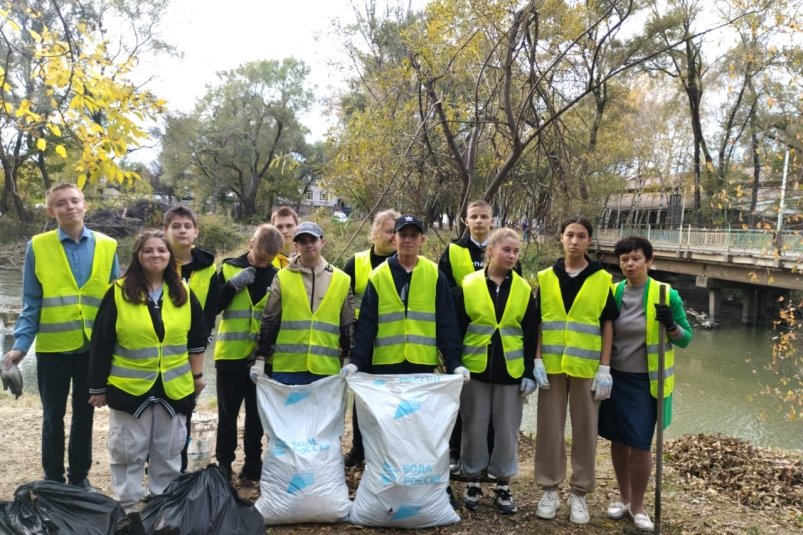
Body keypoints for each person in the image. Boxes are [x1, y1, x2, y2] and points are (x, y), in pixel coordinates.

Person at [342, 214, 469, 508]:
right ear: (393, 238)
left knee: (421, 430)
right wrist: (357, 362)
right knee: (387, 430)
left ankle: (428, 489)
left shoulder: (435, 274)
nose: (408, 240)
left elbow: (446, 324)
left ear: (422, 240)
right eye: (403, 234)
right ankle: (385, 488)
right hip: (386, 367)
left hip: (420, 366)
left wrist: (454, 363)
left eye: (414, 235)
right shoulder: (378, 276)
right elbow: (368, 325)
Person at [2, 183, 119, 488]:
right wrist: (20, 346)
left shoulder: (108, 246)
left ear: (85, 206)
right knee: (53, 418)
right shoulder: (37, 246)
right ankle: (53, 479)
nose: (69, 207)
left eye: (75, 201)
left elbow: (115, 302)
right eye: (61, 203)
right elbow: (32, 302)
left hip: (92, 351)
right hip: (53, 349)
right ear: (51, 211)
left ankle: (79, 479)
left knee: (85, 416)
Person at [88, 230, 207, 512]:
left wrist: (198, 377)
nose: (155, 255)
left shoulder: (184, 293)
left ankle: (161, 510)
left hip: (173, 389)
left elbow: (198, 339)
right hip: (129, 389)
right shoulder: (117, 292)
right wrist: (97, 387)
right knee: (127, 452)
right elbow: (101, 342)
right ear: (138, 256)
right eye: (148, 250)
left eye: (161, 250)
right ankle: (128, 510)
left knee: (168, 453)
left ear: (170, 256)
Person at [599, 236, 693, 532]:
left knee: (640, 444)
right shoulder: (612, 293)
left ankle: (638, 506)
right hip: (616, 377)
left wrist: (671, 325)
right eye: (624, 259)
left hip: (646, 381)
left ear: (649, 261)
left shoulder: (666, 295)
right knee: (618, 440)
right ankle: (624, 498)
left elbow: (686, 339)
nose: (630, 264)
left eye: (636, 258)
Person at [533, 216, 619, 525]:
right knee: (550, 427)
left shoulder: (601, 278)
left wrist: (605, 366)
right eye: (569, 235)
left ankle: (580, 493)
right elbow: (540, 320)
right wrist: (537, 359)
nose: (574, 241)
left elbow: (608, 322)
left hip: (586, 366)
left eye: (581, 236)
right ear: (560, 237)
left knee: (585, 430)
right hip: (552, 366)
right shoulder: (545, 277)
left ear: (589, 241)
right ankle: (549, 488)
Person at [455, 228, 538, 515]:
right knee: (474, 428)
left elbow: (530, 332)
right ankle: (473, 480)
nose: (512, 256)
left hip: (511, 371)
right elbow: (458, 325)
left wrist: (529, 371)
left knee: (506, 431)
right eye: (506, 250)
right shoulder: (469, 284)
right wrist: (455, 363)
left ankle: (503, 483)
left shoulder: (525, 289)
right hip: (474, 369)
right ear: (491, 251)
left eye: (516, 251)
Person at [214, 224, 284, 482]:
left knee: (256, 416)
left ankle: (253, 464)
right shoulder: (229, 269)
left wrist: (267, 352)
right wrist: (231, 286)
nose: (263, 262)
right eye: (259, 256)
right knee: (227, 415)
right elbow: (213, 308)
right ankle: (224, 463)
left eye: (269, 259)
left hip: (261, 360)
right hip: (229, 357)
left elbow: (279, 319)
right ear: (251, 243)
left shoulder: (279, 276)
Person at [255, 222, 354, 385]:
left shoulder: (342, 279)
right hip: (288, 368)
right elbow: (270, 321)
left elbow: (348, 324)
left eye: (313, 240)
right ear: (295, 246)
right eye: (303, 241)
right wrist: (260, 359)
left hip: (326, 369)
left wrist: (348, 358)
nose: (309, 245)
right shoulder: (282, 277)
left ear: (322, 242)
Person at [163, 205, 220, 473]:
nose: (182, 230)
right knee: (158, 409)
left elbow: (212, 308)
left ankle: (180, 464)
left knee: (185, 408)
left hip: (193, 349)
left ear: (196, 231)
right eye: (175, 226)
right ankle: (157, 464)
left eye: (187, 226)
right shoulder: (156, 259)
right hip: (159, 348)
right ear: (166, 231)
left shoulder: (209, 267)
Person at [340, 208, 399, 468]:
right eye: (389, 231)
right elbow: (340, 302)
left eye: (397, 232)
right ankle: (358, 450)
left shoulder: (405, 263)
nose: (394, 237)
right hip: (361, 345)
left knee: (390, 405)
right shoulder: (356, 263)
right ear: (375, 232)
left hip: (393, 346)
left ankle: (384, 453)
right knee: (361, 402)